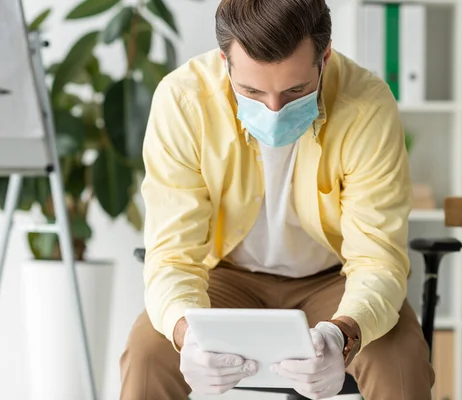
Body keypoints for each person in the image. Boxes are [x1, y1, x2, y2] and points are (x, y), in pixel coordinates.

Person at [119, 0, 435, 399]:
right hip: (224, 277)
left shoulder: (367, 105)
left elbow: (378, 260)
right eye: (251, 90)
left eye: (296, 90)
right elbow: (173, 256)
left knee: (400, 359)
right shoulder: (183, 102)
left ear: (325, 55)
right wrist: (185, 333)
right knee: (148, 355)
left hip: (334, 279)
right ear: (225, 60)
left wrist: (343, 333)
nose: (273, 109)